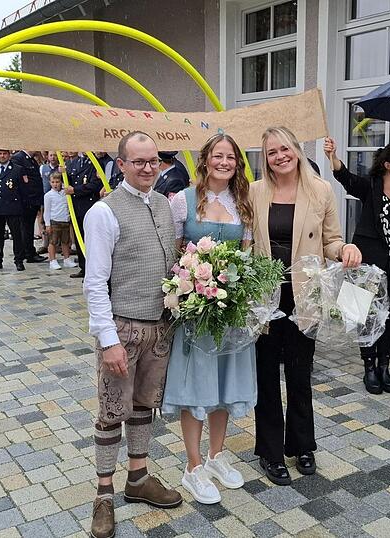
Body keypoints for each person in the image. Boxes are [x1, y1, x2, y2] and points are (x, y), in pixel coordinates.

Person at [249, 126, 362, 486]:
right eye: (271, 152)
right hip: (265, 296)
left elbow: (332, 240)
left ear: (296, 150)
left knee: (299, 374)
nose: (280, 156)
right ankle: (270, 451)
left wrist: (344, 250)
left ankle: (301, 445)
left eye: (285, 148)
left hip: (304, 296)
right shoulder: (254, 192)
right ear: (265, 158)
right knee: (266, 376)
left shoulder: (320, 190)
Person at [83, 131, 181, 537]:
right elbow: (94, 282)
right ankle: (103, 495)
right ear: (121, 164)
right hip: (123, 328)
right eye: (138, 161)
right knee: (111, 413)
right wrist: (108, 340)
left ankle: (137, 478)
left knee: (144, 405)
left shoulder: (163, 204)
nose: (147, 168)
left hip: (159, 325)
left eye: (153, 160)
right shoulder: (104, 212)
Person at [161, 134, 254, 505]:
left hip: (229, 311)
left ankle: (216, 456)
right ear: (206, 159)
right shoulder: (182, 200)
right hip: (194, 313)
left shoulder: (242, 205)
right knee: (195, 387)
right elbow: (169, 252)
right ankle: (193, 466)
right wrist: (181, 288)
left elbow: (247, 257)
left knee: (222, 385)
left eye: (231, 157)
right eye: (219, 155)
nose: (225, 162)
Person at [323, 137, 390, 394]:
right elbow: (345, 177)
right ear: (388, 165)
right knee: (365, 316)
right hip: (368, 266)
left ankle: (384, 367)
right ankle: (369, 367)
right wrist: (333, 156)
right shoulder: (371, 188)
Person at [0, 149, 25, 271]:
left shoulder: (17, 169)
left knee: (16, 235)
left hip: (13, 208)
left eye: (5, 153)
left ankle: (18, 260)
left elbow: (22, 189)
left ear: (9, 155)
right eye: (0, 153)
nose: (2, 156)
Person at [66, 151, 105, 279]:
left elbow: (95, 185)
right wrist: (62, 173)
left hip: (88, 205)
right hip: (76, 206)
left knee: (91, 239)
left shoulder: (95, 163)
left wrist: (75, 190)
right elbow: (69, 181)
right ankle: (83, 267)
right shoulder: (74, 162)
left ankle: (92, 268)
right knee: (79, 238)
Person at [11, 149, 47, 263]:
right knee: (25, 228)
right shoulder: (19, 158)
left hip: (33, 200)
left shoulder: (31, 160)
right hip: (26, 201)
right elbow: (20, 181)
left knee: (28, 228)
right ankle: (27, 253)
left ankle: (29, 251)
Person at [43, 172, 77, 270]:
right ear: (50, 183)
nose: (55, 184)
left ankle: (67, 259)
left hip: (65, 220)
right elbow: (47, 210)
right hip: (55, 221)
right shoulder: (48, 195)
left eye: (57, 182)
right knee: (53, 241)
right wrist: (47, 224)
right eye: (53, 182)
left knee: (65, 241)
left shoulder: (65, 193)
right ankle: (52, 260)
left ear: (61, 182)